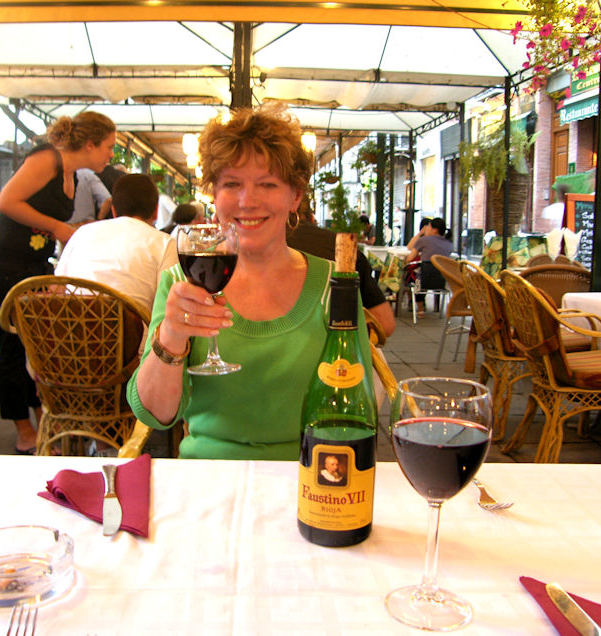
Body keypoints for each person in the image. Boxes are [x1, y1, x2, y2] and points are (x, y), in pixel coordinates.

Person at [126, 104, 374, 460]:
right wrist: (172, 337)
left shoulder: (335, 287)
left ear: (295, 197)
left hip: (309, 472)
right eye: (232, 184)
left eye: (267, 184)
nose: (247, 201)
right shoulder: (183, 285)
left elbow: (355, 407)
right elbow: (155, 414)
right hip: (210, 475)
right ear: (214, 195)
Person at [0, 111, 117, 455]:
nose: (111, 154)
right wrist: (58, 228)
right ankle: (23, 429)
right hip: (8, 262)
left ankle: (43, 417)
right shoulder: (48, 159)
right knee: (15, 345)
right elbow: (5, 202)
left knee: (38, 345)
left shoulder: (71, 174)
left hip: (35, 263)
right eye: (109, 146)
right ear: (90, 144)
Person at [55, 173, 178, 315]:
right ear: (156, 211)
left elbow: (56, 289)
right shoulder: (165, 243)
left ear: (113, 210)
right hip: (134, 329)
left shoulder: (81, 233)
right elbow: (171, 304)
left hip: (73, 327)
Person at [287, 199, 394, 337]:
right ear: (312, 217)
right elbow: (385, 325)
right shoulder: (344, 248)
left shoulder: (262, 250)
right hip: (340, 346)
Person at [406, 217, 453, 318]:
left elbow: (409, 258)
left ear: (434, 230)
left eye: (429, 227)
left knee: (413, 276)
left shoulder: (423, 240)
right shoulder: (449, 244)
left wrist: (420, 234)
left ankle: (420, 309)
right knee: (423, 274)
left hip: (424, 279)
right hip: (442, 280)